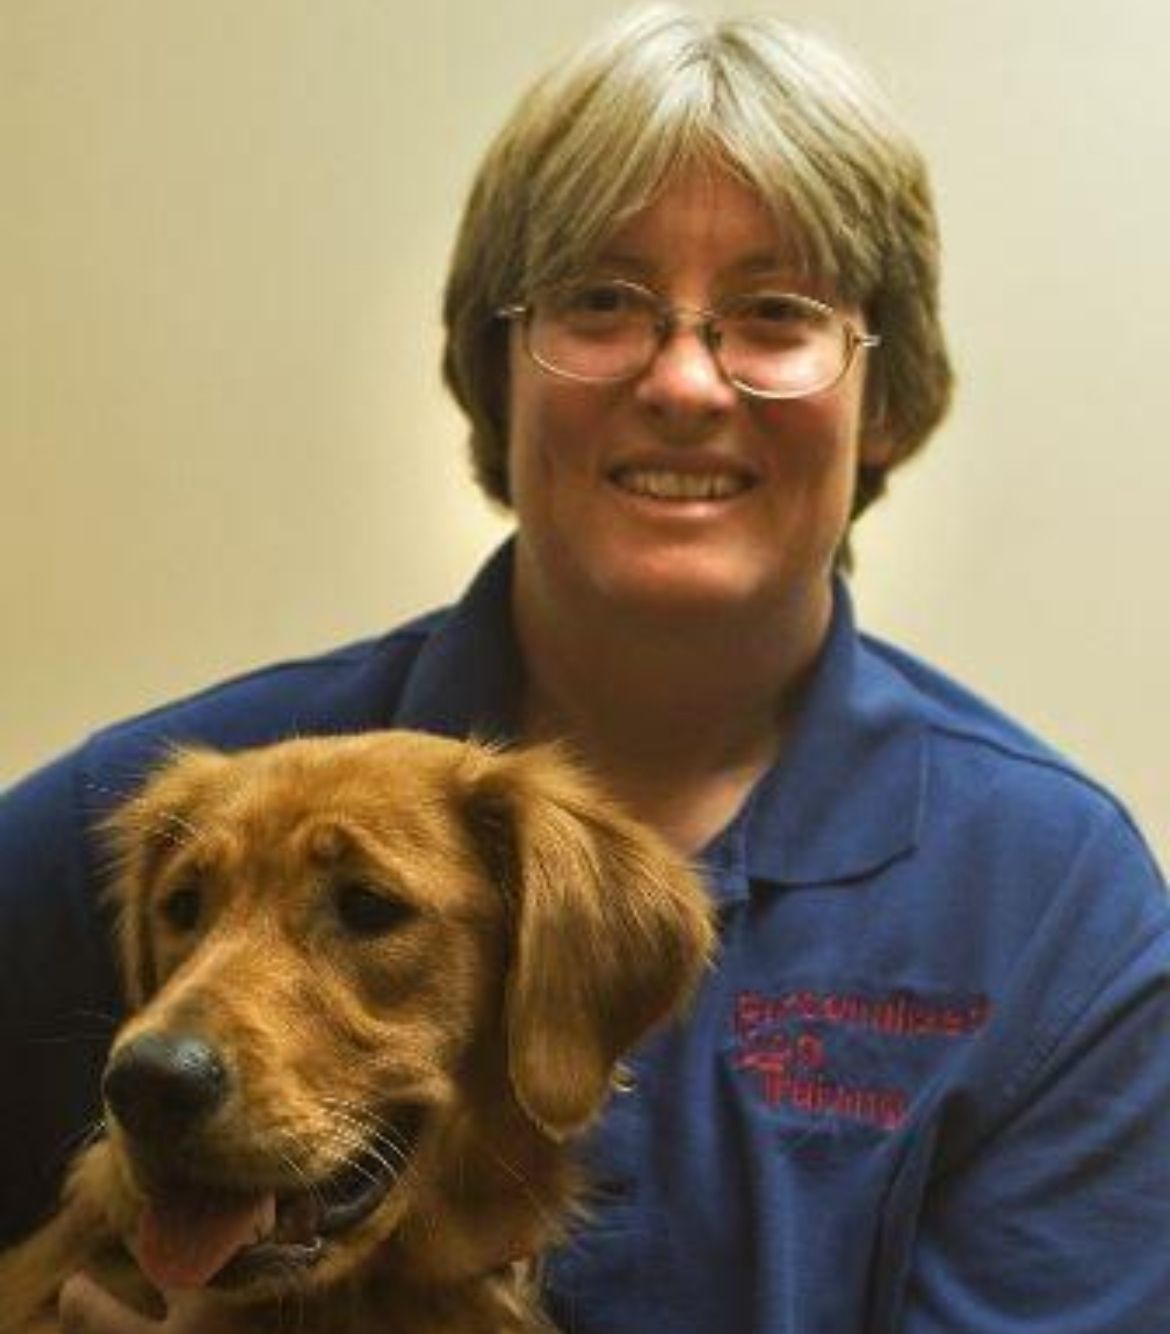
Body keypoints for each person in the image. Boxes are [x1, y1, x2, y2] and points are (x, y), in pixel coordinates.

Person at [2, 5, 1167, 1331]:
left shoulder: (1047, 901)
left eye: (774, 312)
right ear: (495, 374)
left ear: (882, 398)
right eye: (598, 303)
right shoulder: (163, 799)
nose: (682, 379)